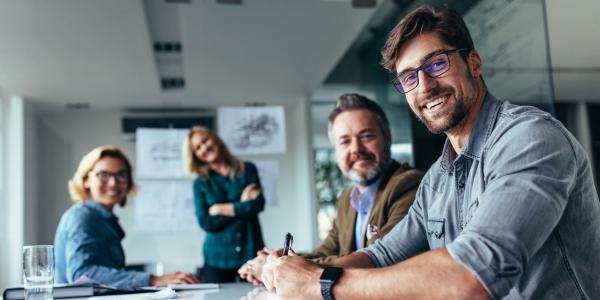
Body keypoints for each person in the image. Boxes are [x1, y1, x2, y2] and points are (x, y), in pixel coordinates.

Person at [261, 5, 600, 299]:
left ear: (474, 62)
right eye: (408, 77)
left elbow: (471, 277)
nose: (424, 86)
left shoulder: (529, 138)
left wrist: (321, 284)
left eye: (436, 64)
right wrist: (296, 272)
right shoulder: (438, 177)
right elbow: (381, 256)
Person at [238, 94, 423, 285]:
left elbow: (378, 257)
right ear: (336, 149)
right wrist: (280, 261)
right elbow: (327, 251)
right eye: (345, 141)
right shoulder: (347, 198)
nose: (356, 149)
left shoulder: (408, 184)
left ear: (388, 137)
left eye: (366, 136)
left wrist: (279, 266)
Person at [54, 145, 199, 289]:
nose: (113, 183)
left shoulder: (104, 220)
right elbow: (82, 274)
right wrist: (152, 279)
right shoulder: (82, 217)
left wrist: (160, 277)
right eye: (103, 175)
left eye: (121, 175)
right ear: (86, 179)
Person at [183, 126, 265, 283]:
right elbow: (207, 223)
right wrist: (241, 204)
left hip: (251, 251)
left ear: (215, 138)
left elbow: (258, 205)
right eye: (198, 148)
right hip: (217, 258)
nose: (204, 147)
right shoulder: (200, 183)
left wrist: (220, 209)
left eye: (205, 140)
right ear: (195, 156)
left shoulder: (248, 169)